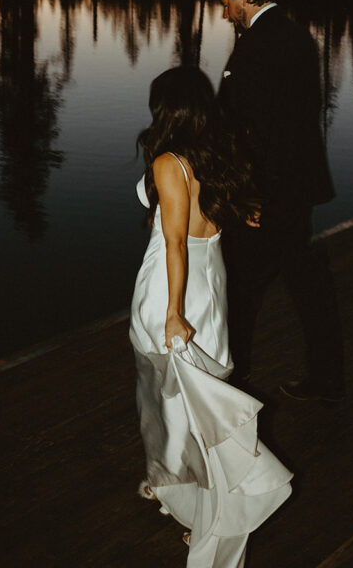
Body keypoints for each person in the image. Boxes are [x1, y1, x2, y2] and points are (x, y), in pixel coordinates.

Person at [129, 66, 292, 566]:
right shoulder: (219, 155)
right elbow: (227, 210)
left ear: (168, 111)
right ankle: (169, 485)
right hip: (213, 286)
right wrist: (246, 210)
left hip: (172, 291)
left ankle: (203, 508)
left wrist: (174, 312)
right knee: (198, 409)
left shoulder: (168, 162)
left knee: (166, 401)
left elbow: (175, 240)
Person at [217, 0, 345, 403]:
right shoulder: (294, 35)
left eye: (226, 1)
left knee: (241, 286)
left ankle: (233, 382)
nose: (223, 11)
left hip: (270, 190)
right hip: (297, 184)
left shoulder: (259, 44)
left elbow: (260, 127)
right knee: (305, 281)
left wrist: (254, 194)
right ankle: (326, 377)